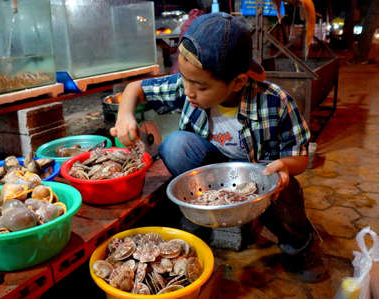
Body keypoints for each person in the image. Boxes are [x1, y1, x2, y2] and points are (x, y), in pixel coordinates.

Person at [110, 12, 327, 283]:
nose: (188, 91)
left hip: (258, 177)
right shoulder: (187, 87)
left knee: (288, 192)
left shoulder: (275, 101)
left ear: (237, 81)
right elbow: (134, 89)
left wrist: (284, 167)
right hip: (210, 177)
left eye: (199, 86)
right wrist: (125, 116)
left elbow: (299, 158)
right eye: (185, 79)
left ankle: (300, 249)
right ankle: (200, 214)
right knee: (177, 144)